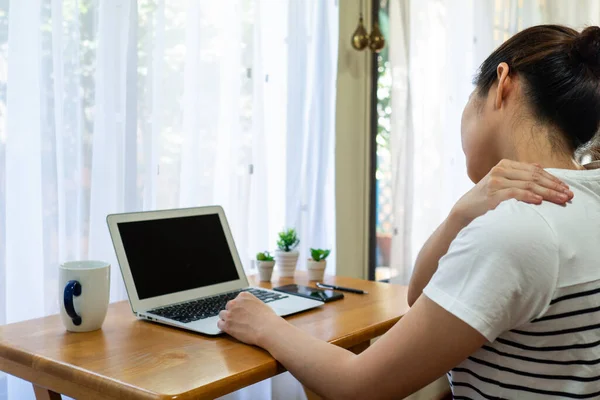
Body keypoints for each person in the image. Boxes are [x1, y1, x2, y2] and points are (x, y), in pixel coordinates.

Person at [219, 25, 600, 399]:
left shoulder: (515, 230)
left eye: (471, 96)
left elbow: (358, 386)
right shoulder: (582, 199)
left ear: (502, 83)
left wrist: (265, 326)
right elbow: (420, 296)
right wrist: (461, 213)